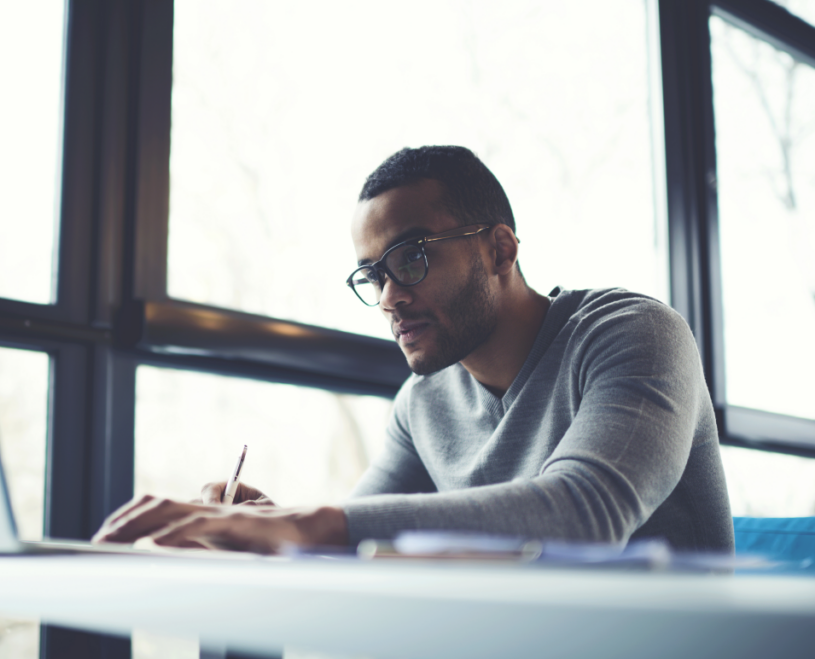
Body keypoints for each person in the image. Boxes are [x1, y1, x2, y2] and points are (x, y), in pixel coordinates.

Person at [93, 145, 734, 554]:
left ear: (500, 249)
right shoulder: (422, 403)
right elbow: (362, 531)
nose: (389, 298)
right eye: (374, 276)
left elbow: (587, 512)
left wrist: (313, 524)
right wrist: (272, 526)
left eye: (414, 258)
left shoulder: (632, 334)